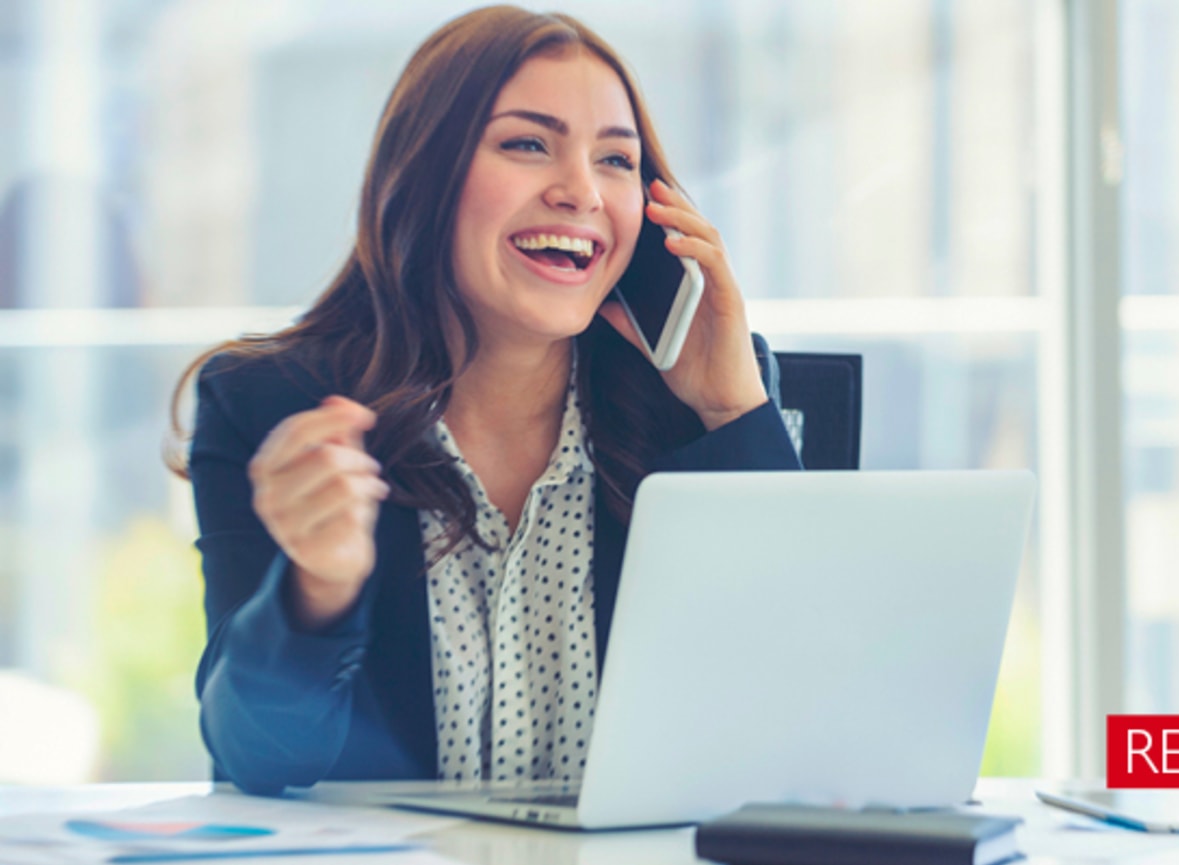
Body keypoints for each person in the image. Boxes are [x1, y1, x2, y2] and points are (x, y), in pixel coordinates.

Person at [166, 7, 800, 796]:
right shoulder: (273, 405)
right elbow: (260, 758)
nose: (581, 192)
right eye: (527, 144)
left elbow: (797, 717)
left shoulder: (700, 407)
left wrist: (734, 413)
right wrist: (316, 591)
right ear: (423, 174)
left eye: (615, 159)